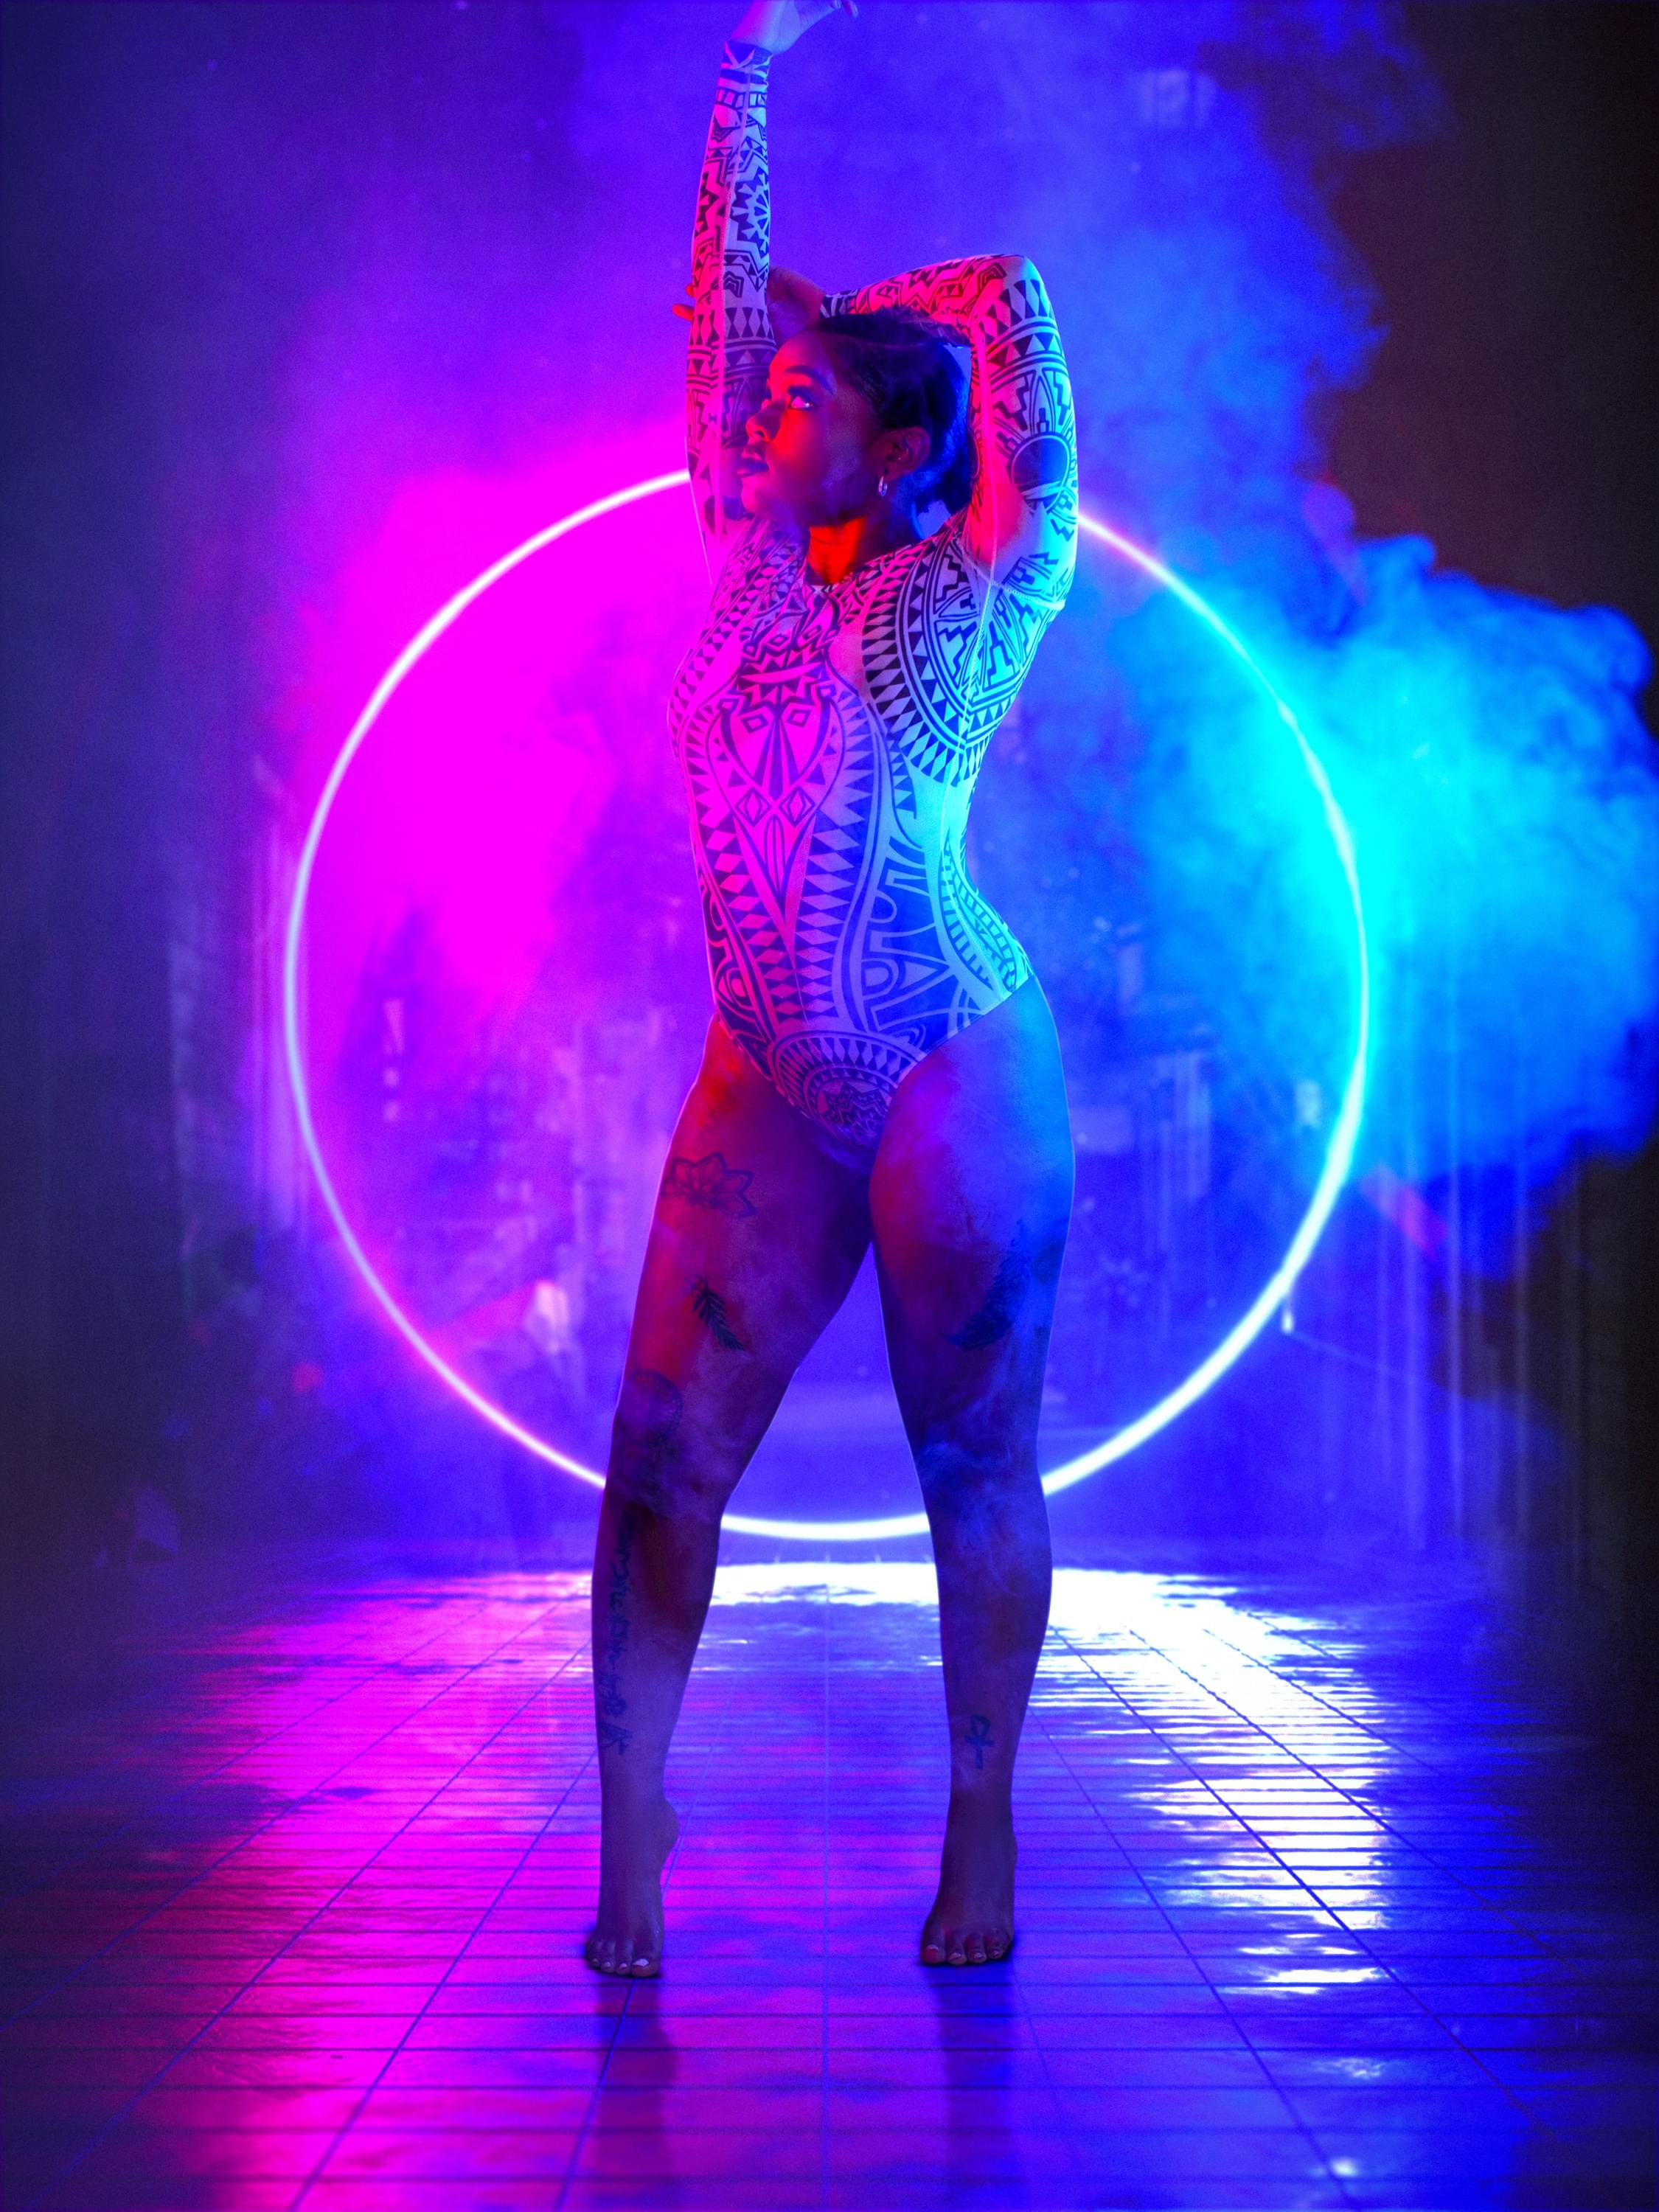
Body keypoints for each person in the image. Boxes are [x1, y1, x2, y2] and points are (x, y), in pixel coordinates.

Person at [586, 0, 1078, 1976]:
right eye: (763, 399)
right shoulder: (744, 555)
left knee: (971, 1462)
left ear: (892, 432)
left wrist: (867, 314)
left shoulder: (986, 581)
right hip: (764, 1069)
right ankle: (632, 1835)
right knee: (658, 1459)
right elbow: (722, 321)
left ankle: (983, 1820)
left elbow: (1014, 299)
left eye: (797, 401)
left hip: (953, 1059)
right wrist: (746, 69)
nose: (753, 418)